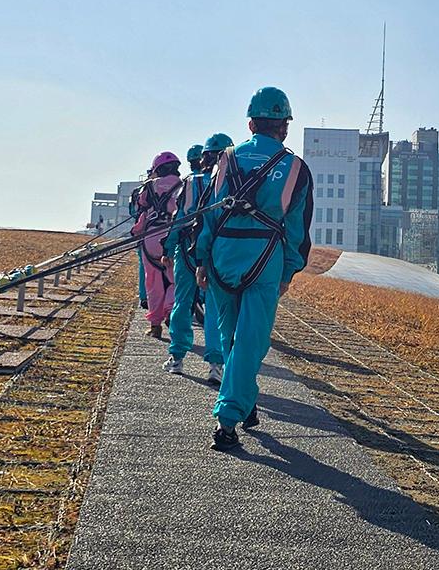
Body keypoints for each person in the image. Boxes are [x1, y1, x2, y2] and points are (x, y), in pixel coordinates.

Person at [196, 88, 313, 450]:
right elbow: (297, 229)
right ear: (285, 127)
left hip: (223, 255)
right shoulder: (295, 167)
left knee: (231, 336)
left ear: (250, 123)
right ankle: (227, 419)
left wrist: (202, 258)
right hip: (265, 259)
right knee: (251, 340)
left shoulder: (226, 160)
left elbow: (210, 212)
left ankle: (246, 404)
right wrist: (288, 271)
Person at [162, 138, 231, 382]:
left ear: (204, 157)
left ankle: (177, 358)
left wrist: (168, 248)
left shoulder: (190, 182)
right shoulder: (230, 182)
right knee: (215, 308)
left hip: (187, 248)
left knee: (182, 301)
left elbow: (178, 218)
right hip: (216, 253)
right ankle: (215, 365)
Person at [132, 152, 182, 338]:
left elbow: (141, 207)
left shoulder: (149, 186)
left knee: (153, 282)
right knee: (173, 280)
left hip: (150, 238)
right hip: (173, 237)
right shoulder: (184, 185)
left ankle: (155, 325)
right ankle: (170, 312)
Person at [128, 176, 150, 310]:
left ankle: (144, 296)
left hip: (142, 232)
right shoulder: (175, 185)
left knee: (143, 265)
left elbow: (132, 212)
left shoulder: (139, 190)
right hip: (164, 230)